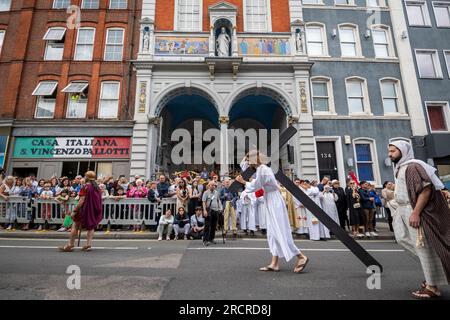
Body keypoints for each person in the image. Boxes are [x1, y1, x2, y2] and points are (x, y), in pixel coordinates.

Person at [388, 141, 450, 299]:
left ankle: (432, 286)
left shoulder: (413, 166)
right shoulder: (401, 167)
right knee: (402, 239)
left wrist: (415, 212)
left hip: (412, 209)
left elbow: (425, 189)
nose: (390, 154)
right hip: (401, 209)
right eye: (389, 151)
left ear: (402, 151)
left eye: (393, 151)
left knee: (422, 247)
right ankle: (434, 273)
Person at [236, 151, 309, 273]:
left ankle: (301, 256)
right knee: (272, 232)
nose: (248, 162)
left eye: (249, 159)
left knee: (279, 230)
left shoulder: (263, 169)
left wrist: (243, 182)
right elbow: (249, 172)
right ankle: (274, 263)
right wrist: (247, 156)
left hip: (274, 201)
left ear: (255, 159)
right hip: (270, 200)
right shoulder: (260, 170)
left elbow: (257, 186)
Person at [59, 171, 103, 252]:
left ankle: (70, 244)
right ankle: (88, 244)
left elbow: (81, 200)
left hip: (83, 209)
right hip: (92, 210)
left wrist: (75, 210)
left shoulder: (85, 187)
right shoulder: (97, 188)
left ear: (87, 177)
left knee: (75, 225)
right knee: (91, 227)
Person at [202, 181, 222, 246]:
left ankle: (211, 238)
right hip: (209, 211)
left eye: (214, 185)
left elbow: (218, 200)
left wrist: (219, 208)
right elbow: (204, 202)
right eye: (212, 185)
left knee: (213, 226)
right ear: (209, 185)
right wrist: (204, 210)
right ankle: (205, 240)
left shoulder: (216, 192)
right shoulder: (206, 192)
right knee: (207, 226)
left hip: (215, 210)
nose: (213, 186)